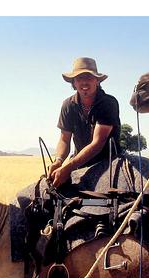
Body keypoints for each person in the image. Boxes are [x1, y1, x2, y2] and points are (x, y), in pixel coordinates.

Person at [48, 57, 121, 187]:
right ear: (74, 83)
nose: (84, 82)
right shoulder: (68, 105)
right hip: (78, 163)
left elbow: (97, 143)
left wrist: (68, 168)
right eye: (79, 78)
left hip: (110, 163)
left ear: (97, 81)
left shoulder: (108, 103)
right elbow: (65, 139)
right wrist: (58, 161)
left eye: (88, 77)